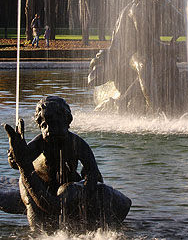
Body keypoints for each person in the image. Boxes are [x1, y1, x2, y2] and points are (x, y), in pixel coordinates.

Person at [4, 96, 131, 232]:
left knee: (76, 195)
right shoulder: (40, 142)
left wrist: (87, 189)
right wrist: (14, 157)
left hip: (66, 181)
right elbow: (20, 162)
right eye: (44, 126)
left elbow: (92, 170)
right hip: (38, 181)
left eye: (55, 124)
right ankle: (38, 233)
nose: (49, 130)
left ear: (67, 122)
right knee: (33, 205)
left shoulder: (77, 143)